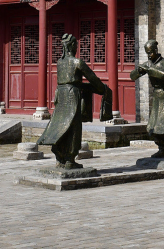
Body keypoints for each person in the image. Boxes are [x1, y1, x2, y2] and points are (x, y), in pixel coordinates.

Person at [38, 33, 111, 169]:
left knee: (59, 123)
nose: (77, 47)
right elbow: (92, 78)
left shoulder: (60, 62)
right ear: (72, 46)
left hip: (61, 95)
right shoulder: (77, 62)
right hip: (72, 96)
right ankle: (70, 159)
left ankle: (60, 156)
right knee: (74, 127)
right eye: (76, 45)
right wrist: (103, 89)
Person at [130, 39, 164, 159]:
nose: (149, 55)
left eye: (151, 52)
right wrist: (138, 70)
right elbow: (132, 76)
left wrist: (148, 70)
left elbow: (163, 74)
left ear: (156, 50)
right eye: (147, 53)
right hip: (157, 96)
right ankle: (161, 149)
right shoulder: (148, 64)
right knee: (154, 125)